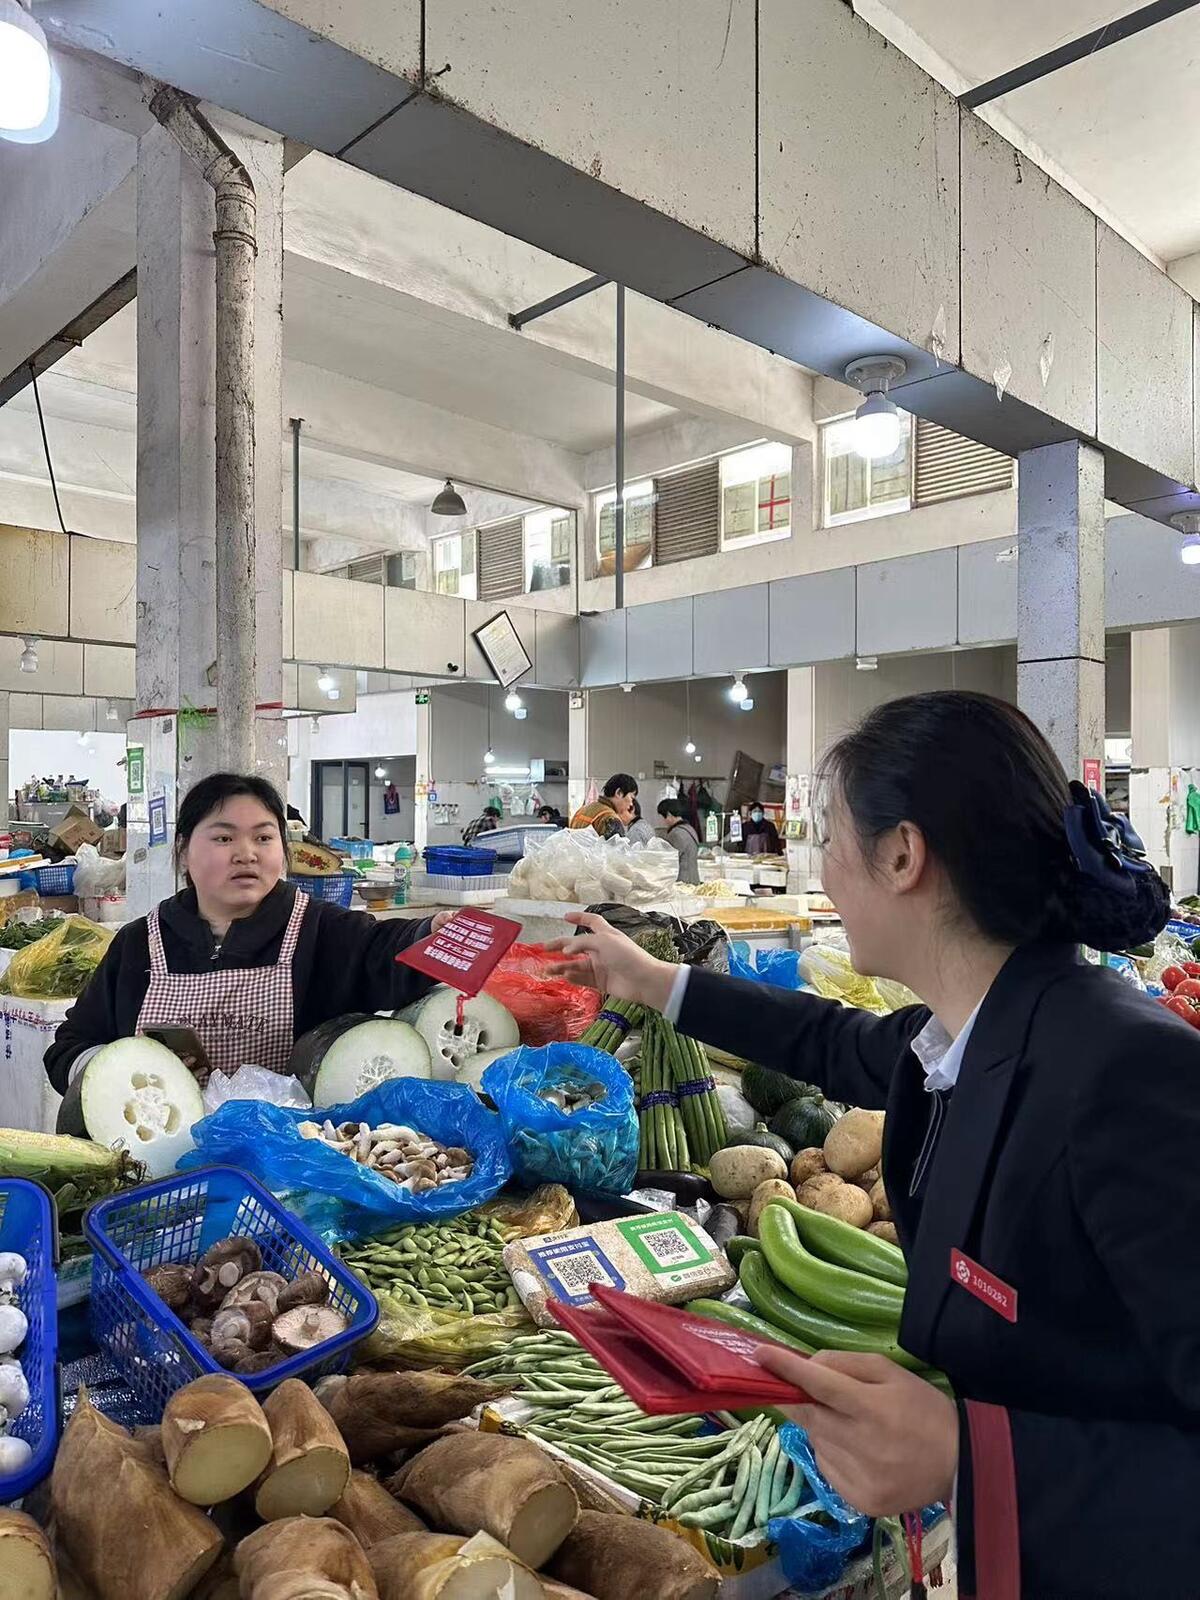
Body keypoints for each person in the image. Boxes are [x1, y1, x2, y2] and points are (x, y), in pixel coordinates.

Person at [548, 692, 1198, 1599]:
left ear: (902, 855)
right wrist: (657, 983)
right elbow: (831, 1044)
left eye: (828, 837)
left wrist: (968, 1456)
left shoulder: (1132, 1077)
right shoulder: (979, 1030)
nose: (819, 866)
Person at [46, 772, 451, 1098]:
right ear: (184, 851)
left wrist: (433, 935)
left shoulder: (323, 930)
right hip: (163, 1167)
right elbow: (69, 1048)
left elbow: (390, 954)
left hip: (287, 1166)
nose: (247, 853)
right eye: (224, 838)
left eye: (263, 837)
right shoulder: (141, 943)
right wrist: (123, 1069)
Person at [569, 774, 637, 840]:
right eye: (631, 798)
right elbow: (618, 850)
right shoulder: (611, 818)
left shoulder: (582, 810)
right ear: (619, 793)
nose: (631, 804)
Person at [656, 797, 700, 885]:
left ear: (668, 814)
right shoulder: (690, 829)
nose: (663, 821)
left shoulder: (676, 833)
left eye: (662, 817)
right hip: (694, 878)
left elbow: (669, 860)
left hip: (683, 882)